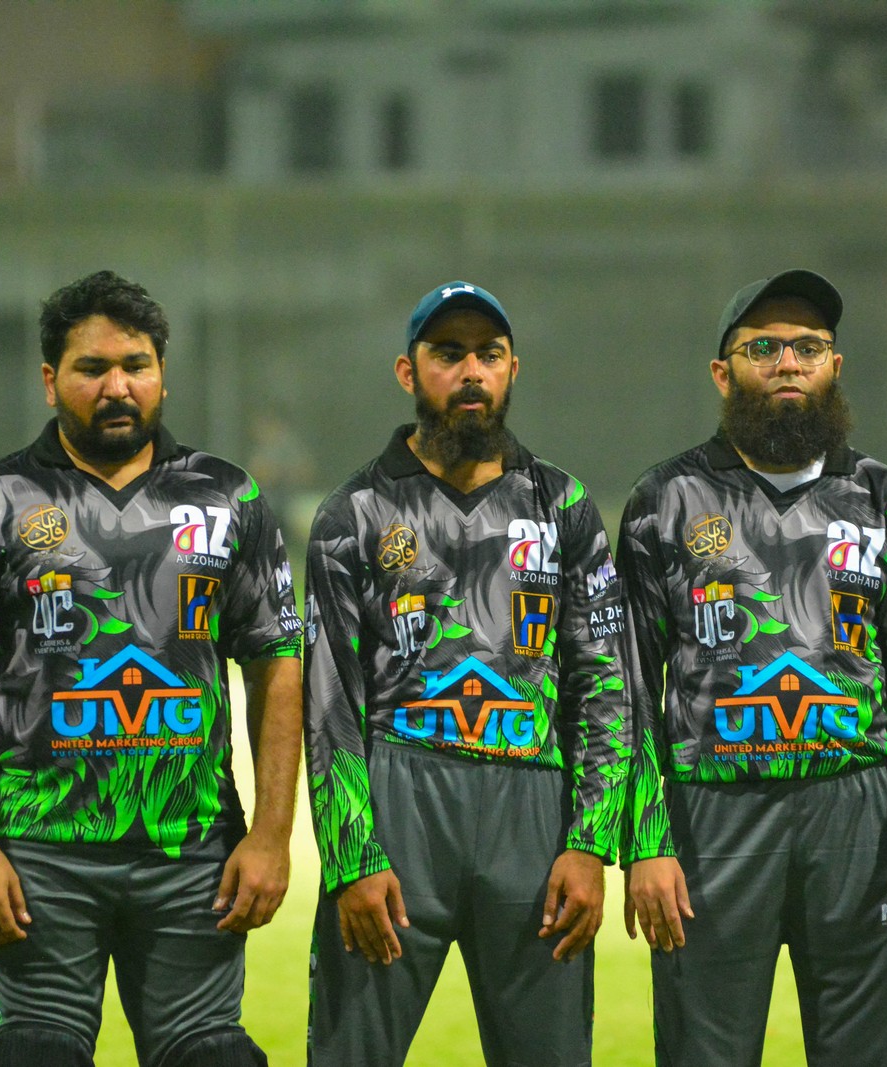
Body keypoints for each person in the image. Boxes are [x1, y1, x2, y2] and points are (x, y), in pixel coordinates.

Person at [0, 270, 301, 1067]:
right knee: (35, 1054)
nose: (117, 386)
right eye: (92, 368)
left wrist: (270, 834)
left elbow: (277, 661)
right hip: (41, 850)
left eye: (136, 365)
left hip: (191, 848)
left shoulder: (227, 497)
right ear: (50, 379)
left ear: (162, 373)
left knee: (214, 1057)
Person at [619, 269, 887, 1066]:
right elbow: (625, 691)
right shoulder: (665, 499)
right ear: (722, 371)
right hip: (711, 819)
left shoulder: (884, 499)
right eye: (763, 347)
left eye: (808, 347)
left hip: (860, 817)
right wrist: (644, 841)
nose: (788, 363)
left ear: (834, 364)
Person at [303, 281, 630, 1066]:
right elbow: (328, 699)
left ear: (514, 368)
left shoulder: (562, 505)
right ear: (408, 372)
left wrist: (590, 843)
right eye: (448, 354)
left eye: (488, 354)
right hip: (399, 806)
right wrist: (352, 855)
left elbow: (606, 682)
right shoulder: (355, 513)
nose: (471, 371)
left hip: (533, 811)